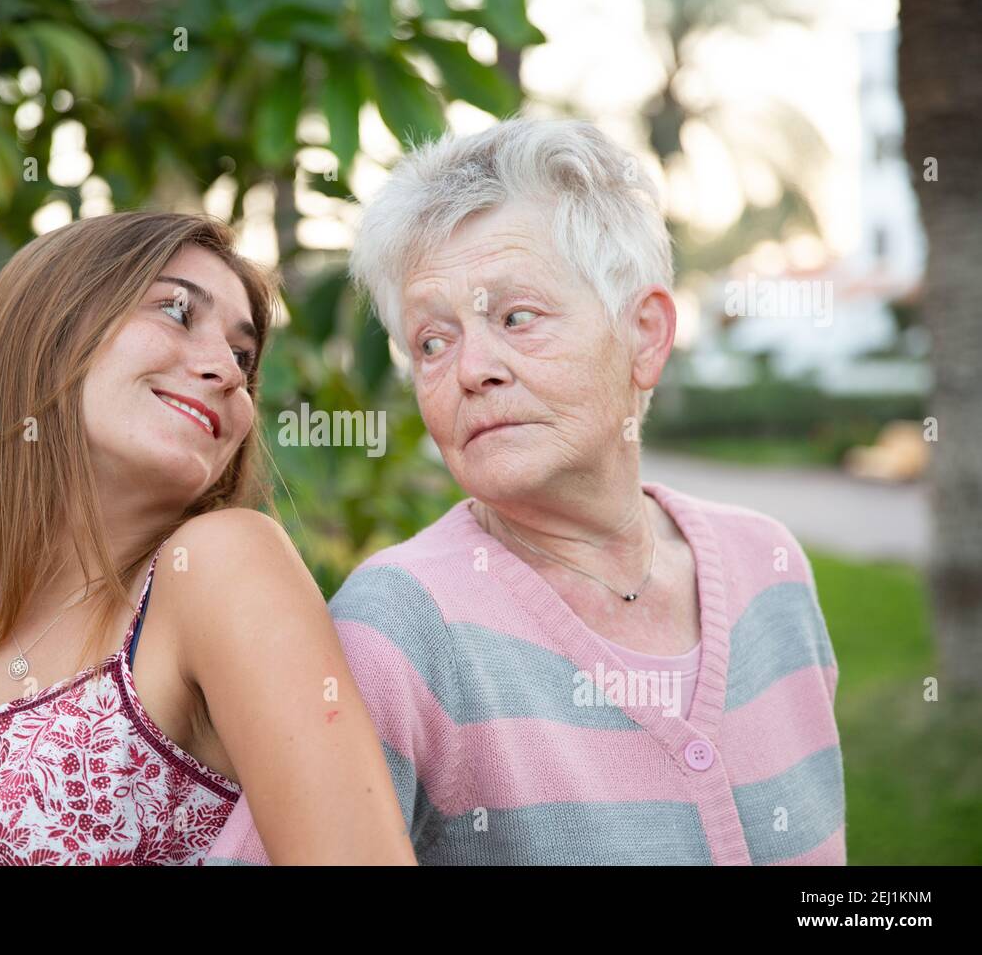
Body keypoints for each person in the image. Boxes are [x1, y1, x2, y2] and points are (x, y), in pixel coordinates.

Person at [207, 117, 845, 865]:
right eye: (432, 342)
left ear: (644, 336)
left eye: (517, 317)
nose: (471, 369)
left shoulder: (768, 565)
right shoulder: (400, 627)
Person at [0, 211, 416, 866]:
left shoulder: (217, 568)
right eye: (176, 311)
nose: (230, 373)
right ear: (48, 328)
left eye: (243, 356)